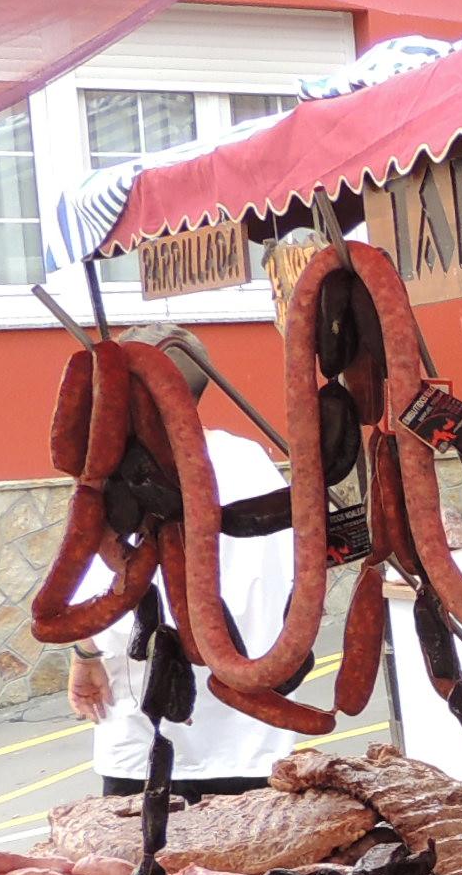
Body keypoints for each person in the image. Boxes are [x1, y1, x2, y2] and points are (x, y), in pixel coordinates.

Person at [67, 325, 307, 799]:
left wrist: (84, 655)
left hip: (148, 740)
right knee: (255, 869)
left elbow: (106, 606)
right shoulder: (250, 457)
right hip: (258, 733)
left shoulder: (118, 474)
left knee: (149, 868)